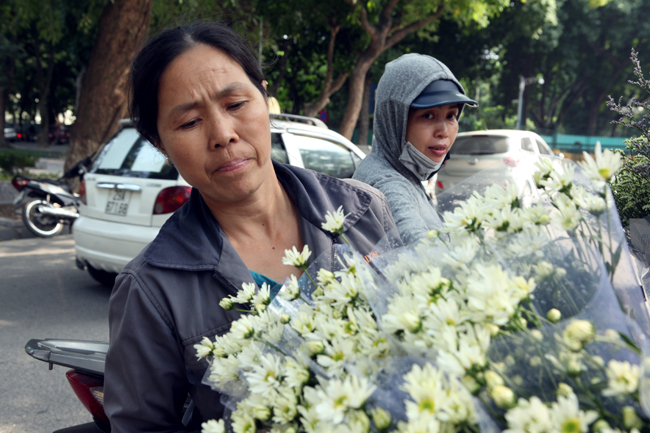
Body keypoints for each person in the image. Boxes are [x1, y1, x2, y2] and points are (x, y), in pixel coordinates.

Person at [103, 22, 401, 432]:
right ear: (159, 144)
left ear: (265, 97)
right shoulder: (151, 289)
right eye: (189, 123)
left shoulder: (364, 210)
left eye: (236, 104)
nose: (223, 135)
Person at [353, 53, 477, 245]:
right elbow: (421, 253)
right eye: (428, 115)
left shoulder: (404, 172)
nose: (443, 131)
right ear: (395, 120)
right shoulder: (386, 183)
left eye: (451, 115)